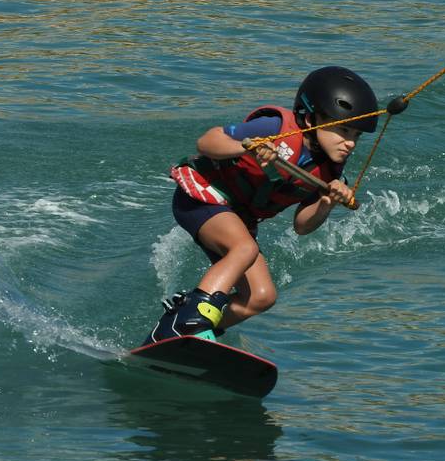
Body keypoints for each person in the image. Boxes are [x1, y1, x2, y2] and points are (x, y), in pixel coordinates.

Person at [143, 66, 379, 345]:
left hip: (236, 217)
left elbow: (302, 226)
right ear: (310, 117)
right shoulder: (274, 128)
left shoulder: (330, 169)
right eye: (343, 130)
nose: (350, 143)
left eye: (356, 135)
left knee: (261, 296)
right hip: (202, 196)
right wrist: (248, 147)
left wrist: (326, 203)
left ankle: (178, 329)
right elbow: (206, 141)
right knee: (245, 248)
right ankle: (189, 321)